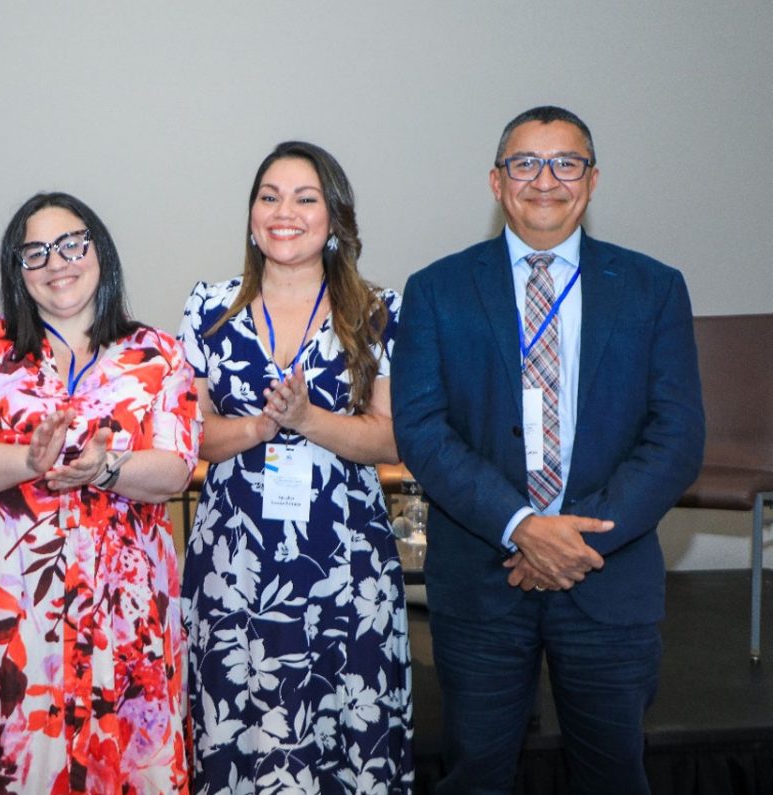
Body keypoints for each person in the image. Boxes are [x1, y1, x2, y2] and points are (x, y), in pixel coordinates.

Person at [391, 106, 704, 794]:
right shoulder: (437, 289)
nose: (545, 179)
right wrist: (522, 527)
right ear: (497, 183)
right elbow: (421, 428)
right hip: (482, 577)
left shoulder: (654, 289)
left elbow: (677, 437)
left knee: (614, 776)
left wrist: (571, 541)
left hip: (607, 576)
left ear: (591, 181)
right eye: (525, 162)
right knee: (475, 775)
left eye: (566, 162)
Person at [0, 192, 200, 794]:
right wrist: (28, 459)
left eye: (72, 244)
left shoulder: (158, 355)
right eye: (35, 252)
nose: (56, 263)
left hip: (121, 619)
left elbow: (175, 469)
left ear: (101, 252)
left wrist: (106, 468)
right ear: (16, 270)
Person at [178, 141, 413, 793]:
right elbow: (188, 433)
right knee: (240, 735)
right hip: (236, 564)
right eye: (269, 196)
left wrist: (308, 419)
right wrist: (258, 426)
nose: (285, 212)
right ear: (252, 215)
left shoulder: (377, 311)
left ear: (334, 217)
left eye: (306, 198)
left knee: (347, 740)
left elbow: (391, 440)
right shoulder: (209, 307)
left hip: (345, 566)